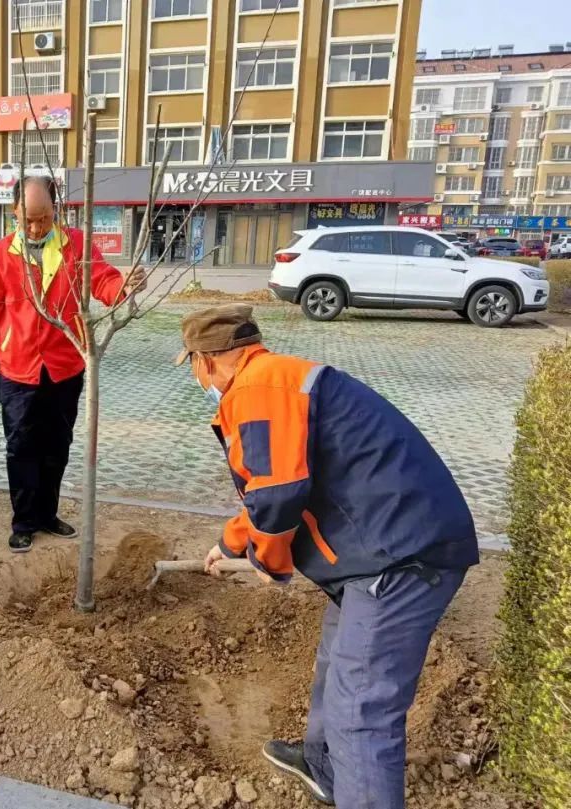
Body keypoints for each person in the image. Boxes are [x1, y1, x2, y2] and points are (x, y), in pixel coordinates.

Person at [176, 304, 479, 809]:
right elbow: (265, 487)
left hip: (399, 557)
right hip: (383, 547)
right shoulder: (274, 377)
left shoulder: (256, 389)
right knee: (336, 656)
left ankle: (355, 785)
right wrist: (230, 544)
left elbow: (277, 494)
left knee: (362, 710)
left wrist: (266, 562)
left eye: (190, 364)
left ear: (204, 360)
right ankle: (324, 765)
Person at [0, 176, 144, 553]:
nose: (35, 227)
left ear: (56, 212)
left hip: (65, 366)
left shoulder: (75, 246)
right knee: (21, 448)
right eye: (27, 219)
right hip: (18, 370)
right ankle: (24, 520)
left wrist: (123, 286)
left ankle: (48, 514)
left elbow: (102, 281)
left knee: (56, 445)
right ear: (14, 213)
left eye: (44, 218)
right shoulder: (1, 254)